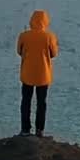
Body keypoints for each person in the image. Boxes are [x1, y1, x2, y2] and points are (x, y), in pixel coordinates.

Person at [16, 9, 59, 137]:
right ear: (46, 21)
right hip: (43, 75)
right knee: (41, 103)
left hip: (27, 73)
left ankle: (25, 129)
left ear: (32, 20)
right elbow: (54, 54)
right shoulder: (49, 36)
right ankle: (39, 130)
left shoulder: (23, 36)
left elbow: (19, 51)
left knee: (26, 101)